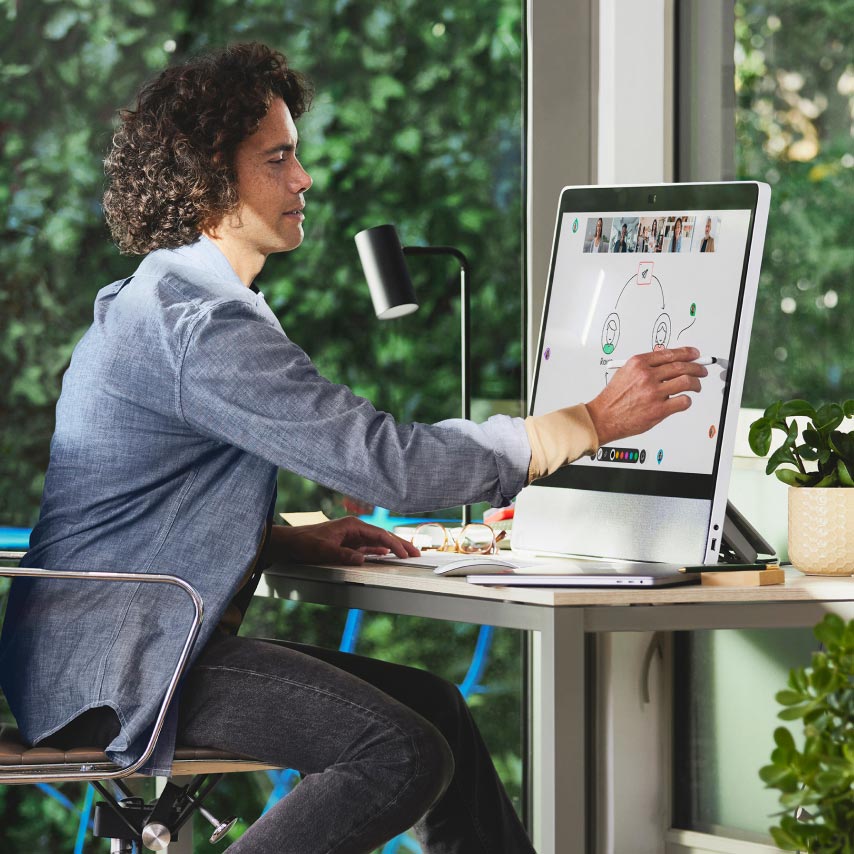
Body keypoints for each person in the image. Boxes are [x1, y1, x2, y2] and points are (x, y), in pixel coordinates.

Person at [0, 43, 707, 854]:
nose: (303, 179)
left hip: (116, 645)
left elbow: (135, 504)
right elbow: (389, 466)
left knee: (436, 708)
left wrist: (287, 540)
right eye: (279, 158)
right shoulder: (199, 325)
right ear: (209, 181)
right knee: (400, 752)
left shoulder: (168, 299)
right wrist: (586, 422)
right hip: (123, 668)